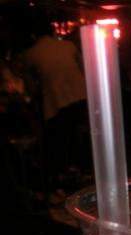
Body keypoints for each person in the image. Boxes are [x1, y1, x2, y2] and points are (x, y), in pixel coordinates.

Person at [23, 13, 90, 203]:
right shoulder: (68, 46)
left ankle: (57, 186)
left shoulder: (31, 54)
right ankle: (82, 175)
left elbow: (31, 89)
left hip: (56, 104)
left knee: (55, 145)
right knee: (78, 139)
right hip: (81, 99)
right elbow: (84, 69)